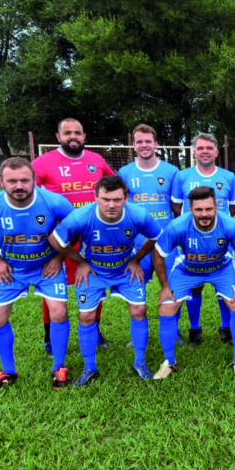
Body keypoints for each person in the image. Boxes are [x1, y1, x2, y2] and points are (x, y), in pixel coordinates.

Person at [0, 158, 75, 392]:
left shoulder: (54, 202)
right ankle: (8, 371)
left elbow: (74, 228)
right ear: (1, 181)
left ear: (35, 180)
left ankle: (59, 367)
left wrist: (58, 258)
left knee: (59, 311)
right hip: (11, 268)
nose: (19, 185)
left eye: (25, 180)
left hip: (46, 267)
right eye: (12, 181)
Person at [50, 175, 161, 387]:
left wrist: (136, 259)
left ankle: (140, 363)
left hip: (124, 269)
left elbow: (155, 237)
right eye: (105, 199)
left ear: (126, 198)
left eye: (117, 200)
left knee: (139, 310)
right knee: (86, 315)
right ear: (96, 198)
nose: (111, 205)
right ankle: (89, 367)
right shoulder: (81, 217)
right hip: (93, 272)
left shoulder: (138, 215)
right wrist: (80, 262)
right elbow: (55, 239)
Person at [151, 187, 235, 378]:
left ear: (216, 207)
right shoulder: (178, 226)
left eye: (208, 209)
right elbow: (158, 253)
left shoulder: (229, 224)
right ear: (190, 208)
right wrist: (165, 287)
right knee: (166, 306)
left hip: (220, 268)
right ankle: (168, 362)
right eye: (199, 210)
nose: (204, 214)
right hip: (187, 270)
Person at [33, 118, 115, 353]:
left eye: (77, 133)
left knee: (93, 282)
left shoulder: (96, 160)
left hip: (93, 237)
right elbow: (28, 194)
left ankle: (95, 330)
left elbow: (113, 185)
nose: (73, 137)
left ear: (84, 135)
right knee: (53, 285)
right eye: (67, 133)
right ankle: (50, 337)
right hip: (58, 238)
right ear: (58, 137)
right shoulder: (42, 162)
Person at [171, 133, 235, 346]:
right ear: (194, 152)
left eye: (209, 148)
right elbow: (176, 206)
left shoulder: (228, 177)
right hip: (191, 240)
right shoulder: (182, 176)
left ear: (217, 152)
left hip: (220, 240)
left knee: (224, 284)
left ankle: (226, 326)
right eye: (200, 148)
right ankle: (194, 327)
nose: (205, 151)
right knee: (194, 284)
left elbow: (234, 206)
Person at [118, 125, 181, 346]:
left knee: (172, 284)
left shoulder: (172, 171)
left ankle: (175, 329)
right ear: (134, 145)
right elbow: (121, 207)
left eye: (148, 141)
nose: (144, 145)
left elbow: (177, 207)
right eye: (139, 141)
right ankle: (139, 331)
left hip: (166, 241)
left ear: (156, 144)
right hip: (137, 242)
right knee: (137, 285)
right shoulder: (125, 173)